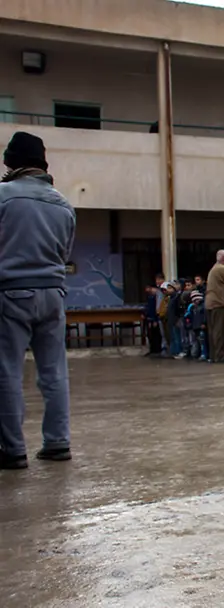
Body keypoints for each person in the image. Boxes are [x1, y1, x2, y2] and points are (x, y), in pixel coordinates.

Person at [0, 131, 76, 469]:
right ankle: (57, 442)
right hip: (53, 295)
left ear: (12, 164)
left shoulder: (3, 197)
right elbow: (65, 255)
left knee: (7, 372)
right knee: (54, 372)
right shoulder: (64, 204)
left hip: (10, 293)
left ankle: (13, 449)